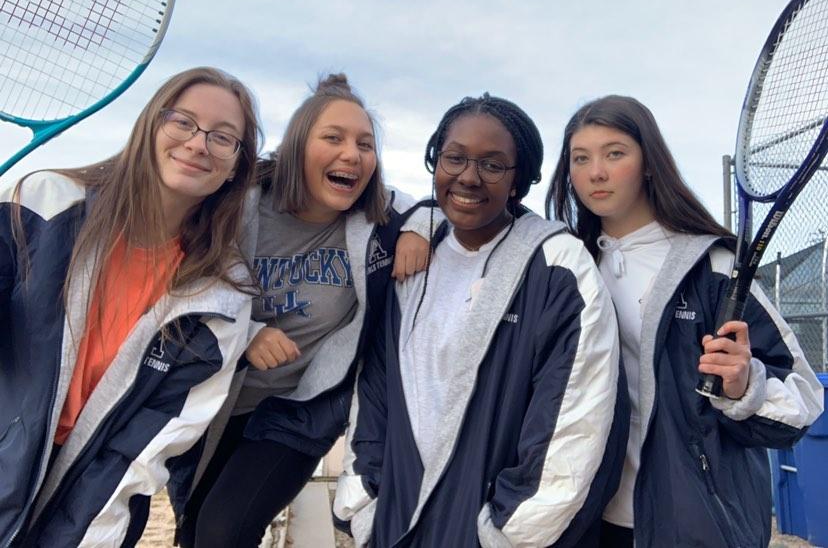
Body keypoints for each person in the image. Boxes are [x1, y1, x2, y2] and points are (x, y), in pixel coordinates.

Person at [333, 93, 629, 547]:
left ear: (519, 181)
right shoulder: (409, 263)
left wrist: (504, 535)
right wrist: (364, 507)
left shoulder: (556, 269)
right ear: (435, 161)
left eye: (492, 165)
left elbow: (575, 425)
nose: (468, 178)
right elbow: (374, 396)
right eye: (454, 158)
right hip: (396, 528)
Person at [545, 94, 824, 547]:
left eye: (614, 153)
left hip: (693, 523)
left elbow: (804, 400)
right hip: (585, 520)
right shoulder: (564, 268)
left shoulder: (711, 267)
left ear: (649, 163)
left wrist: (743, 385)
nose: (596, 171)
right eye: (581, 158)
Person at [0, 67, 261, 547]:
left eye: (223, 138)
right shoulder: (41, 206)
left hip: (88, 507)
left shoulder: (224, 296)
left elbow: (155, 443)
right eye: (183, 122)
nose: (199, 144)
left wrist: (92, 533)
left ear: (237, 166)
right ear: (150, 125)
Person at [169, 74, 432, 548]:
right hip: (217, 399)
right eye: (333, 138)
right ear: (296, 148)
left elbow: (432, 207)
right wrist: (247, 332)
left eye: (365, 143)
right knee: (191, 528)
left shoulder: (377, 225)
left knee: (221, 534)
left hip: (301, 410)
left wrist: (422, 227)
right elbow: (186, 286)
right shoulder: (238, 208)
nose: (352, 154)